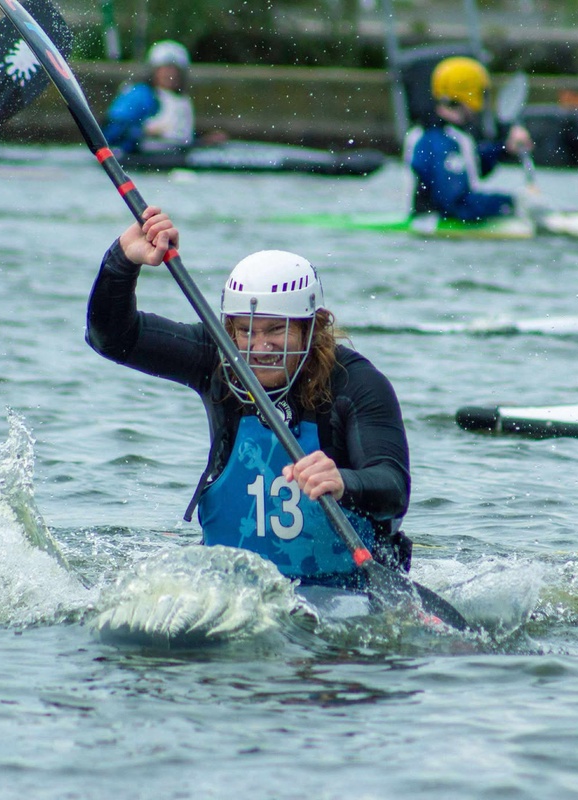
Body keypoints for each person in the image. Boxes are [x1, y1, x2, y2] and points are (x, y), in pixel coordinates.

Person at [87, 207, 413, 587]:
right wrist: (122, 260)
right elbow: (111, 338)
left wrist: (343, 481)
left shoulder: (356, 383)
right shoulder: (218, 358)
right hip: (233, 585)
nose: (259, 347)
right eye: (246, 330)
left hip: (343, 582)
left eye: (276, 330)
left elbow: (393, 486)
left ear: (313, 326)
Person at [404, 56, 533, 222]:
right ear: (467, 94)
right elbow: (456, 204)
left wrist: (504, 149)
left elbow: (471, 165)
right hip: (438, 235)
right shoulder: (440, 141)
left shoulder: (441, 135)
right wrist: (513, 203)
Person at [101, 40, 195, 155]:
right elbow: (111, 131)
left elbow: (179, 136)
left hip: (170, 159)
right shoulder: (141, 95)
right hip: (139, 160)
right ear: (154, 71)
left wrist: (203, 139)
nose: (171, 75)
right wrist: (142, 131)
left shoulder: (182, 100)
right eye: (165, 69)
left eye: (175, 70)